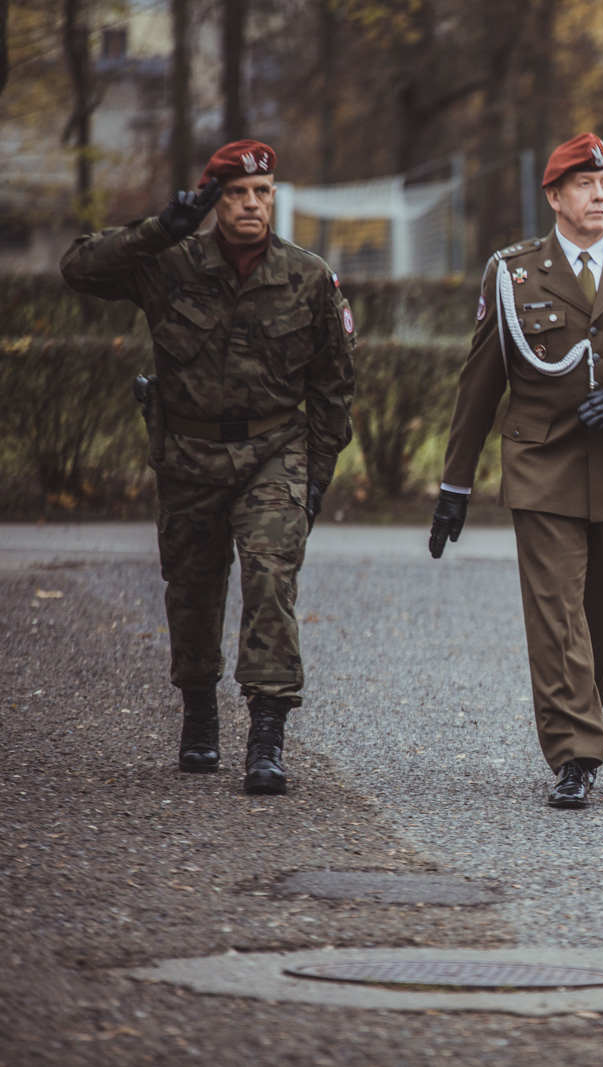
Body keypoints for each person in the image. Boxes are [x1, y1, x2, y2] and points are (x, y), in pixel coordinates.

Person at [60, 140, 356, 795]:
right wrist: (162, 226)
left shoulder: (307, 278)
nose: (252, 205)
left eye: (262, 192)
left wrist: (316, 476)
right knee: (192, 590)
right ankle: (198, 709)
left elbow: (333, 385)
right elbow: (78, 268)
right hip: (188, 457)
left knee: (270, 577)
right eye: (236, 195)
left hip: (273, 453)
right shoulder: (169, 265)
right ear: (213, 201)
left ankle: (267, 733)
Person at [429, 133, 603, 808]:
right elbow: (479, 385)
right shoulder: (513, 273)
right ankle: (577, 754)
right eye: (585, 185)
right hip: (542, 463)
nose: (599, 196)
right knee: (557, 615)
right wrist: (455, 484)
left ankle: (577, 715)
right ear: (555, 197)